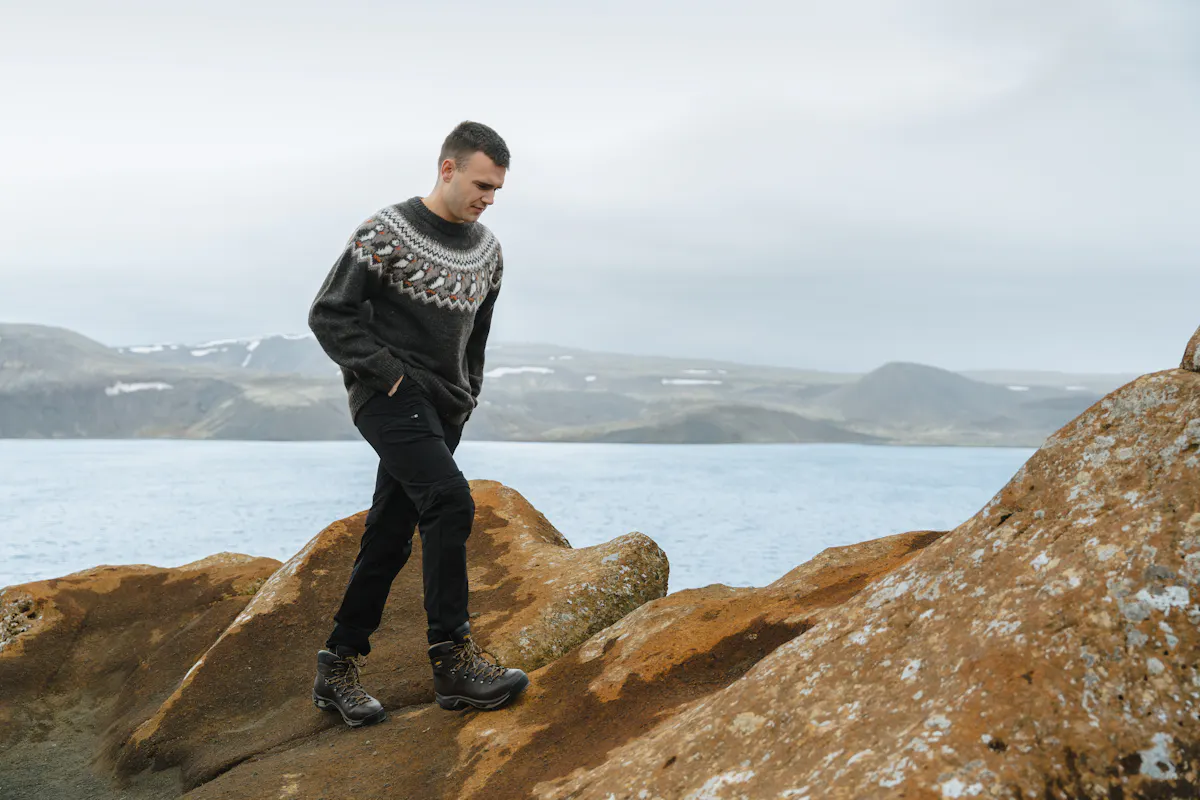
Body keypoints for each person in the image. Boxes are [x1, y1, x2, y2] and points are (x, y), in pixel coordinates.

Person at [306, 121, 529, 727]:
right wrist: (390, 376)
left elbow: (477, 337)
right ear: (448, 168)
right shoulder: (386, 233)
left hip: (444, 406)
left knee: (389, 531)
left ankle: (337, 667)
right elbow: (330, 315)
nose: (489, 197)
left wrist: (468, 394)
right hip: (389, 395)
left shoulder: (488, 251)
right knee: (451, 502)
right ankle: (453, 662)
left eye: (498, 189)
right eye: (482, 183)